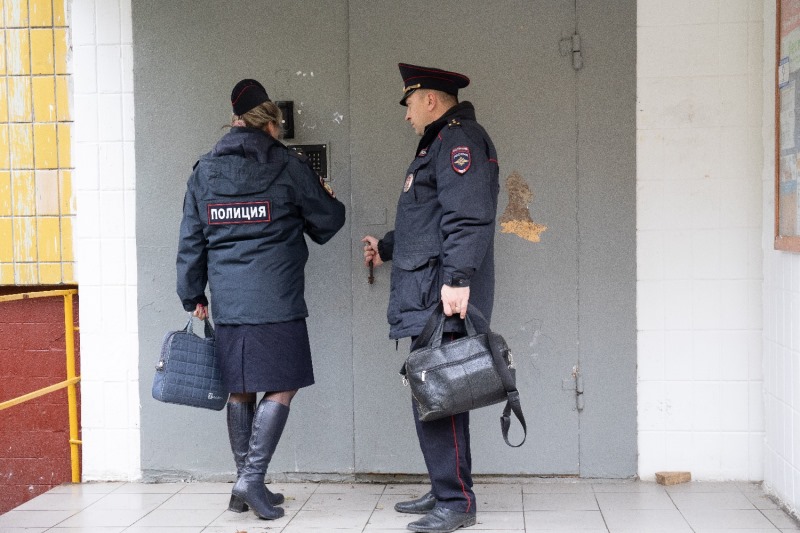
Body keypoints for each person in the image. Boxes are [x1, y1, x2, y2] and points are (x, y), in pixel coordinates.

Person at [176, 79, 346, 520]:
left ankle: (242, 488)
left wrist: (192, 293)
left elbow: (190, 240)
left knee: (240, 387)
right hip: (277, 298)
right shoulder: (288, 166)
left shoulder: (204, 170)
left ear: (234, 122)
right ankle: (251, 478)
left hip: (229, 301)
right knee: (283, 383)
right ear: (271, 123)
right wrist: (325, 195)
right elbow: (327, 222)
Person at [362, 63, 499, 533]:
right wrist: (385, 248)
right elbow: (429, 223)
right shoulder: (438, 145)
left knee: (441, 389)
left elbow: (467, 216)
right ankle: (446, 486)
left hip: (443, 291)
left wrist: (458, 279)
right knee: (434, 390)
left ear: (431, 100)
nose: (406, 115)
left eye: (409, 104)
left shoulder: (458, 142)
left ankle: (456, 501)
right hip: (429, 288)